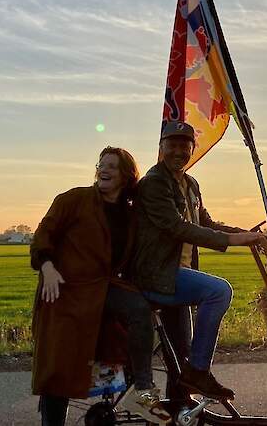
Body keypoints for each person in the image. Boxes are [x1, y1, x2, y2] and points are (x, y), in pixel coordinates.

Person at [30, 147, 168, 426]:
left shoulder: (130, 215)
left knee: (140, 310)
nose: (103, 170)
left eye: (112, 166)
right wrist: (48, 268)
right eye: (101, 165)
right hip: (63, 290)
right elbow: (44, 235)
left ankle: (142, 390)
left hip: (101, 288)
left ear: (126, 175)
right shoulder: (73, 199)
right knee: (59, 365)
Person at [132, 121, 267, 401]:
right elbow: (176, 226)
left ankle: (180, 409)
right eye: (172, 145)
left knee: (180, 360)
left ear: (193, 149)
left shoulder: (190, 183)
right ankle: (199, 372)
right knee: (219, 291)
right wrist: (230, 241)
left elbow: (205, 222)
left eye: (185, 145)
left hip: (179, 276)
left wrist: (245, 235)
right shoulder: (154, 183)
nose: (178, 151)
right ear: (161, 148)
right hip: (158, 275)